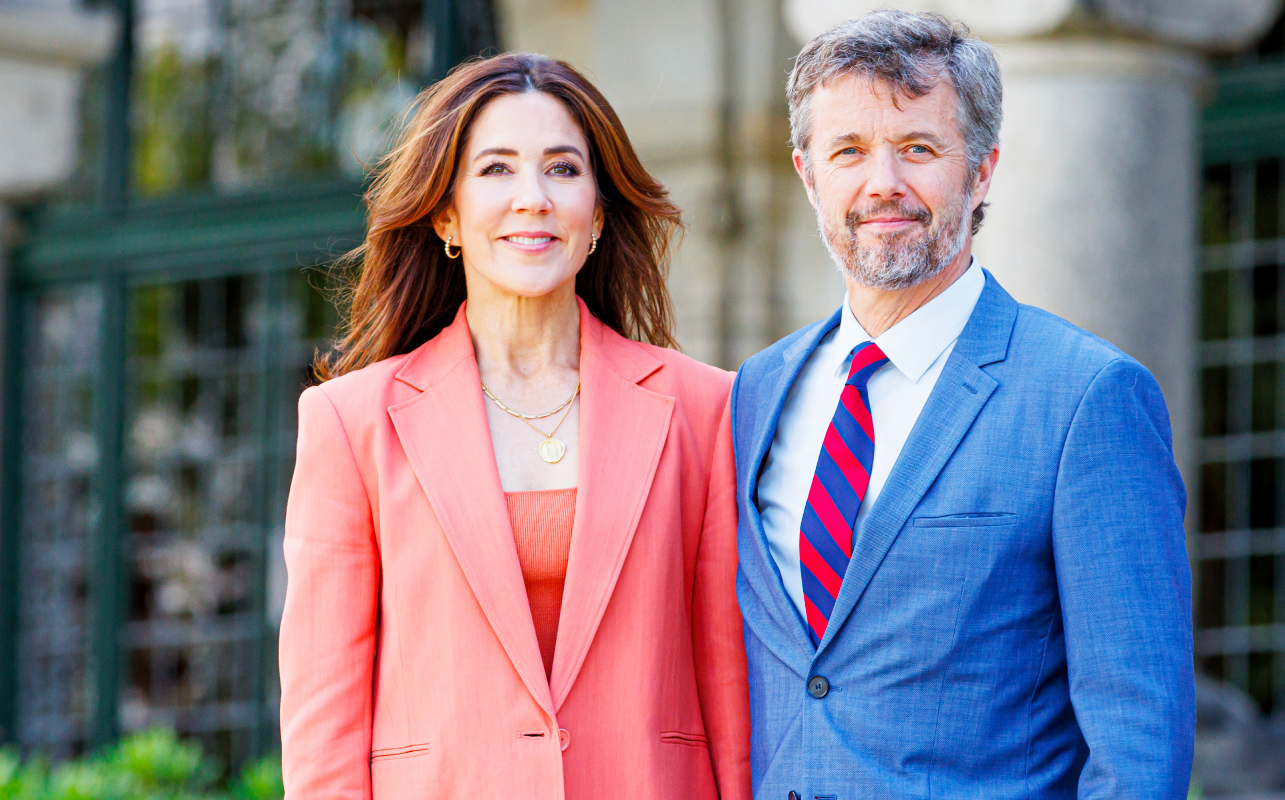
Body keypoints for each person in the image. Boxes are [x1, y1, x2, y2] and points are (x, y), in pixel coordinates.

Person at [731, 10, 1194, 799]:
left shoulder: (1087, 399)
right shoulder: (754, 393)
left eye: (918, 148)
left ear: (981, 170)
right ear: (809, 174)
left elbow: (1139, 741)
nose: (882, 182)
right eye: (849, 151)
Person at [279, 53, 750, 799]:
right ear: (446, 215)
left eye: (562, 170)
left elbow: (731, 685)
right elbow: (323, 723)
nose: (532, 198)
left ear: (596, 213)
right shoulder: (350, 423)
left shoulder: (704, 408)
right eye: (496, 170)